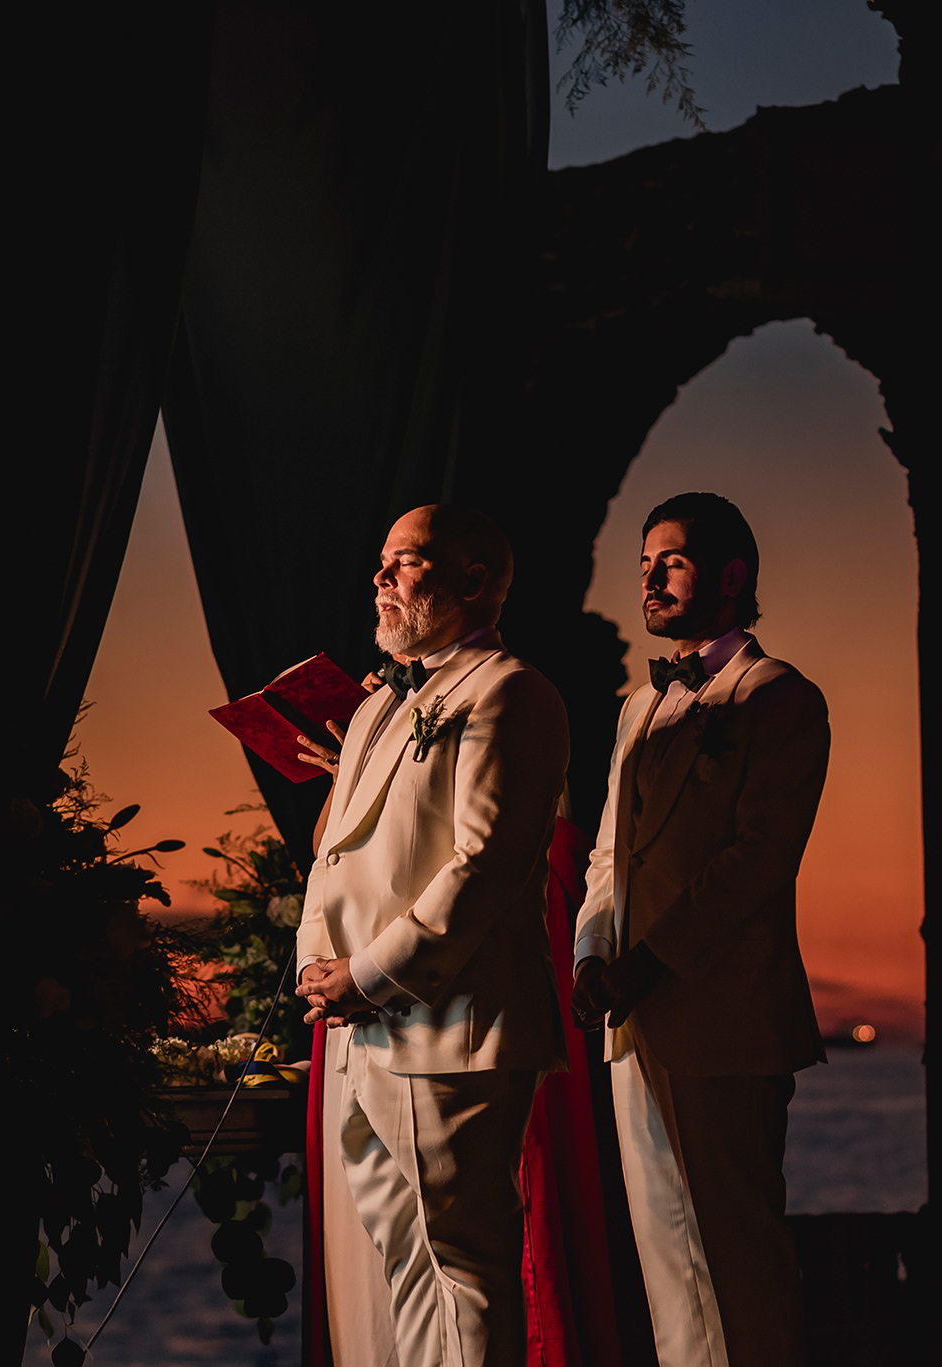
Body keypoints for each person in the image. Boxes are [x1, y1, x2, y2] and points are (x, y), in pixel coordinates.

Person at [293, 504, 569, 1367]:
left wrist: (369, 972)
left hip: (451, 1025)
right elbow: (335, 854)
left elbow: (485, 866)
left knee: (463, 1266)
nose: (380, 577)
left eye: (405, 561)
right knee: (403, 1269)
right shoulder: (377, 705)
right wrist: (313, 961)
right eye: (381, 560)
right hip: (357, 1027)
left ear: (473, 580)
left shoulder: (510, 691)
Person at [571, 493, 830, 1367]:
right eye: (645, 562)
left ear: (731, 575)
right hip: (630, 1018)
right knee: (668, 1264)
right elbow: (608, 854)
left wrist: (648, 961)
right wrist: (592, 952)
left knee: (740, 1263)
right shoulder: (635, 709)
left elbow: (759, 861)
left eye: (671, 561)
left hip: (725, 1019)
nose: (649, 577)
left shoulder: (781, 695)